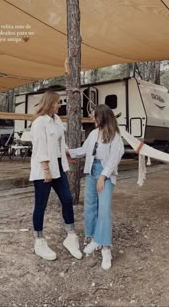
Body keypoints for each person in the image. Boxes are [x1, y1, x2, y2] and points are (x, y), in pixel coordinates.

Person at [68, 104, 124, 270]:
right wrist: (69, 152)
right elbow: (84, 150)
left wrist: (103, 176)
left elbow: (115, 157)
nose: (93, 119)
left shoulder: (115, 136)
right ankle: (93, 238)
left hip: (104, 172)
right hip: (91, 171)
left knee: (104, 209)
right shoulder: (93, 133)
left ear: (103, 117)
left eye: (95, 116)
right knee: (90, 206)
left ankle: (106, 247)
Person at [30, 90, 82, 261]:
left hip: (58, 166)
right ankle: (39, 241)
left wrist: (65, 152)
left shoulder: (57, 119)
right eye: (58, 102)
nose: (60, 105)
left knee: (67, 199)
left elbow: (60, 141)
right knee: (41, 205)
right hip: (44, 169)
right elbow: (40, 148)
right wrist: (46, 169)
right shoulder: (39, 123)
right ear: (50, 103)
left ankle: (70, 236)